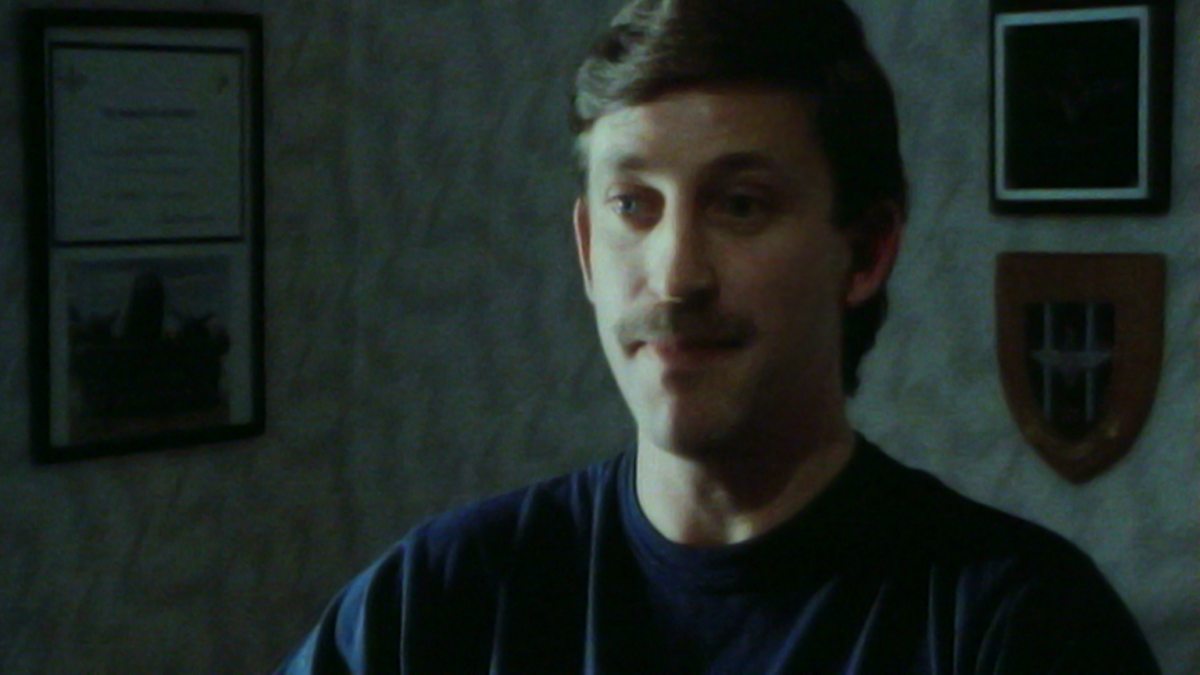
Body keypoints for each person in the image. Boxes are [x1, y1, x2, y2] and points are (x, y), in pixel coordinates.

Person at [278, 1, 1160, 672]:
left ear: (865, 251)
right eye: (634, 205)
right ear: (586, 248)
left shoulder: (1017, 625)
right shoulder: (442, 601)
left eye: (740, 205)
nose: (675, 275)